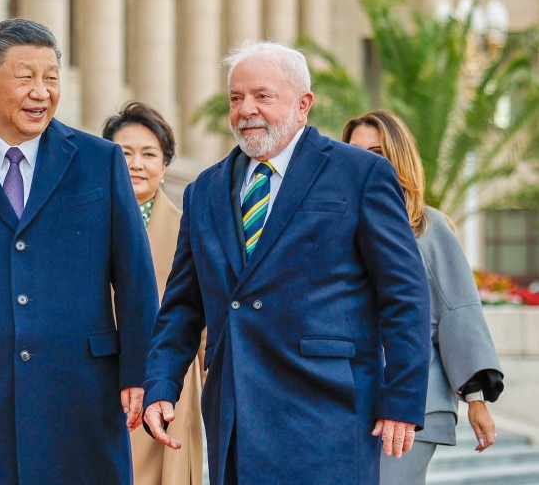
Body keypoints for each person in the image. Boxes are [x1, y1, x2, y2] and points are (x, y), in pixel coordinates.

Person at [143, 40, 431, 485]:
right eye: (236, 98)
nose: (246, 109)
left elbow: (405, 295)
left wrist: (403, 400)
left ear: (303, 104)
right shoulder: (204, 190)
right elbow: (183, 304)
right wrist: (162, 385)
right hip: (235, 413)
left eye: (263, 96)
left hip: (329, 413)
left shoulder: (361, 174)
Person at [0, 18, 159, 484]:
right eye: (26, 78)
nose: (41, 92)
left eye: (51, 78)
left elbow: (136, 279)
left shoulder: (99, 161)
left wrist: (140, 373)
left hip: (82, 390)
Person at [343, 109, 504, 485]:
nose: (365, 161)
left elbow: (458, 313)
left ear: (399, 158)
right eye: (355, 151)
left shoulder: (428, 227)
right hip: (350, 400)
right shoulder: (340, 226)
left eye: (377, 152)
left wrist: (476, 400)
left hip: (417, 402)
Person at [102, 101, 205, 485]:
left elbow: (204, 317)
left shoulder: (188, 228)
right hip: (100, 379)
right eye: (124, 153)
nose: (136, 164)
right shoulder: (80, 226)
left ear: (164, 165)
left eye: (149, 154)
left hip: (166, 385)